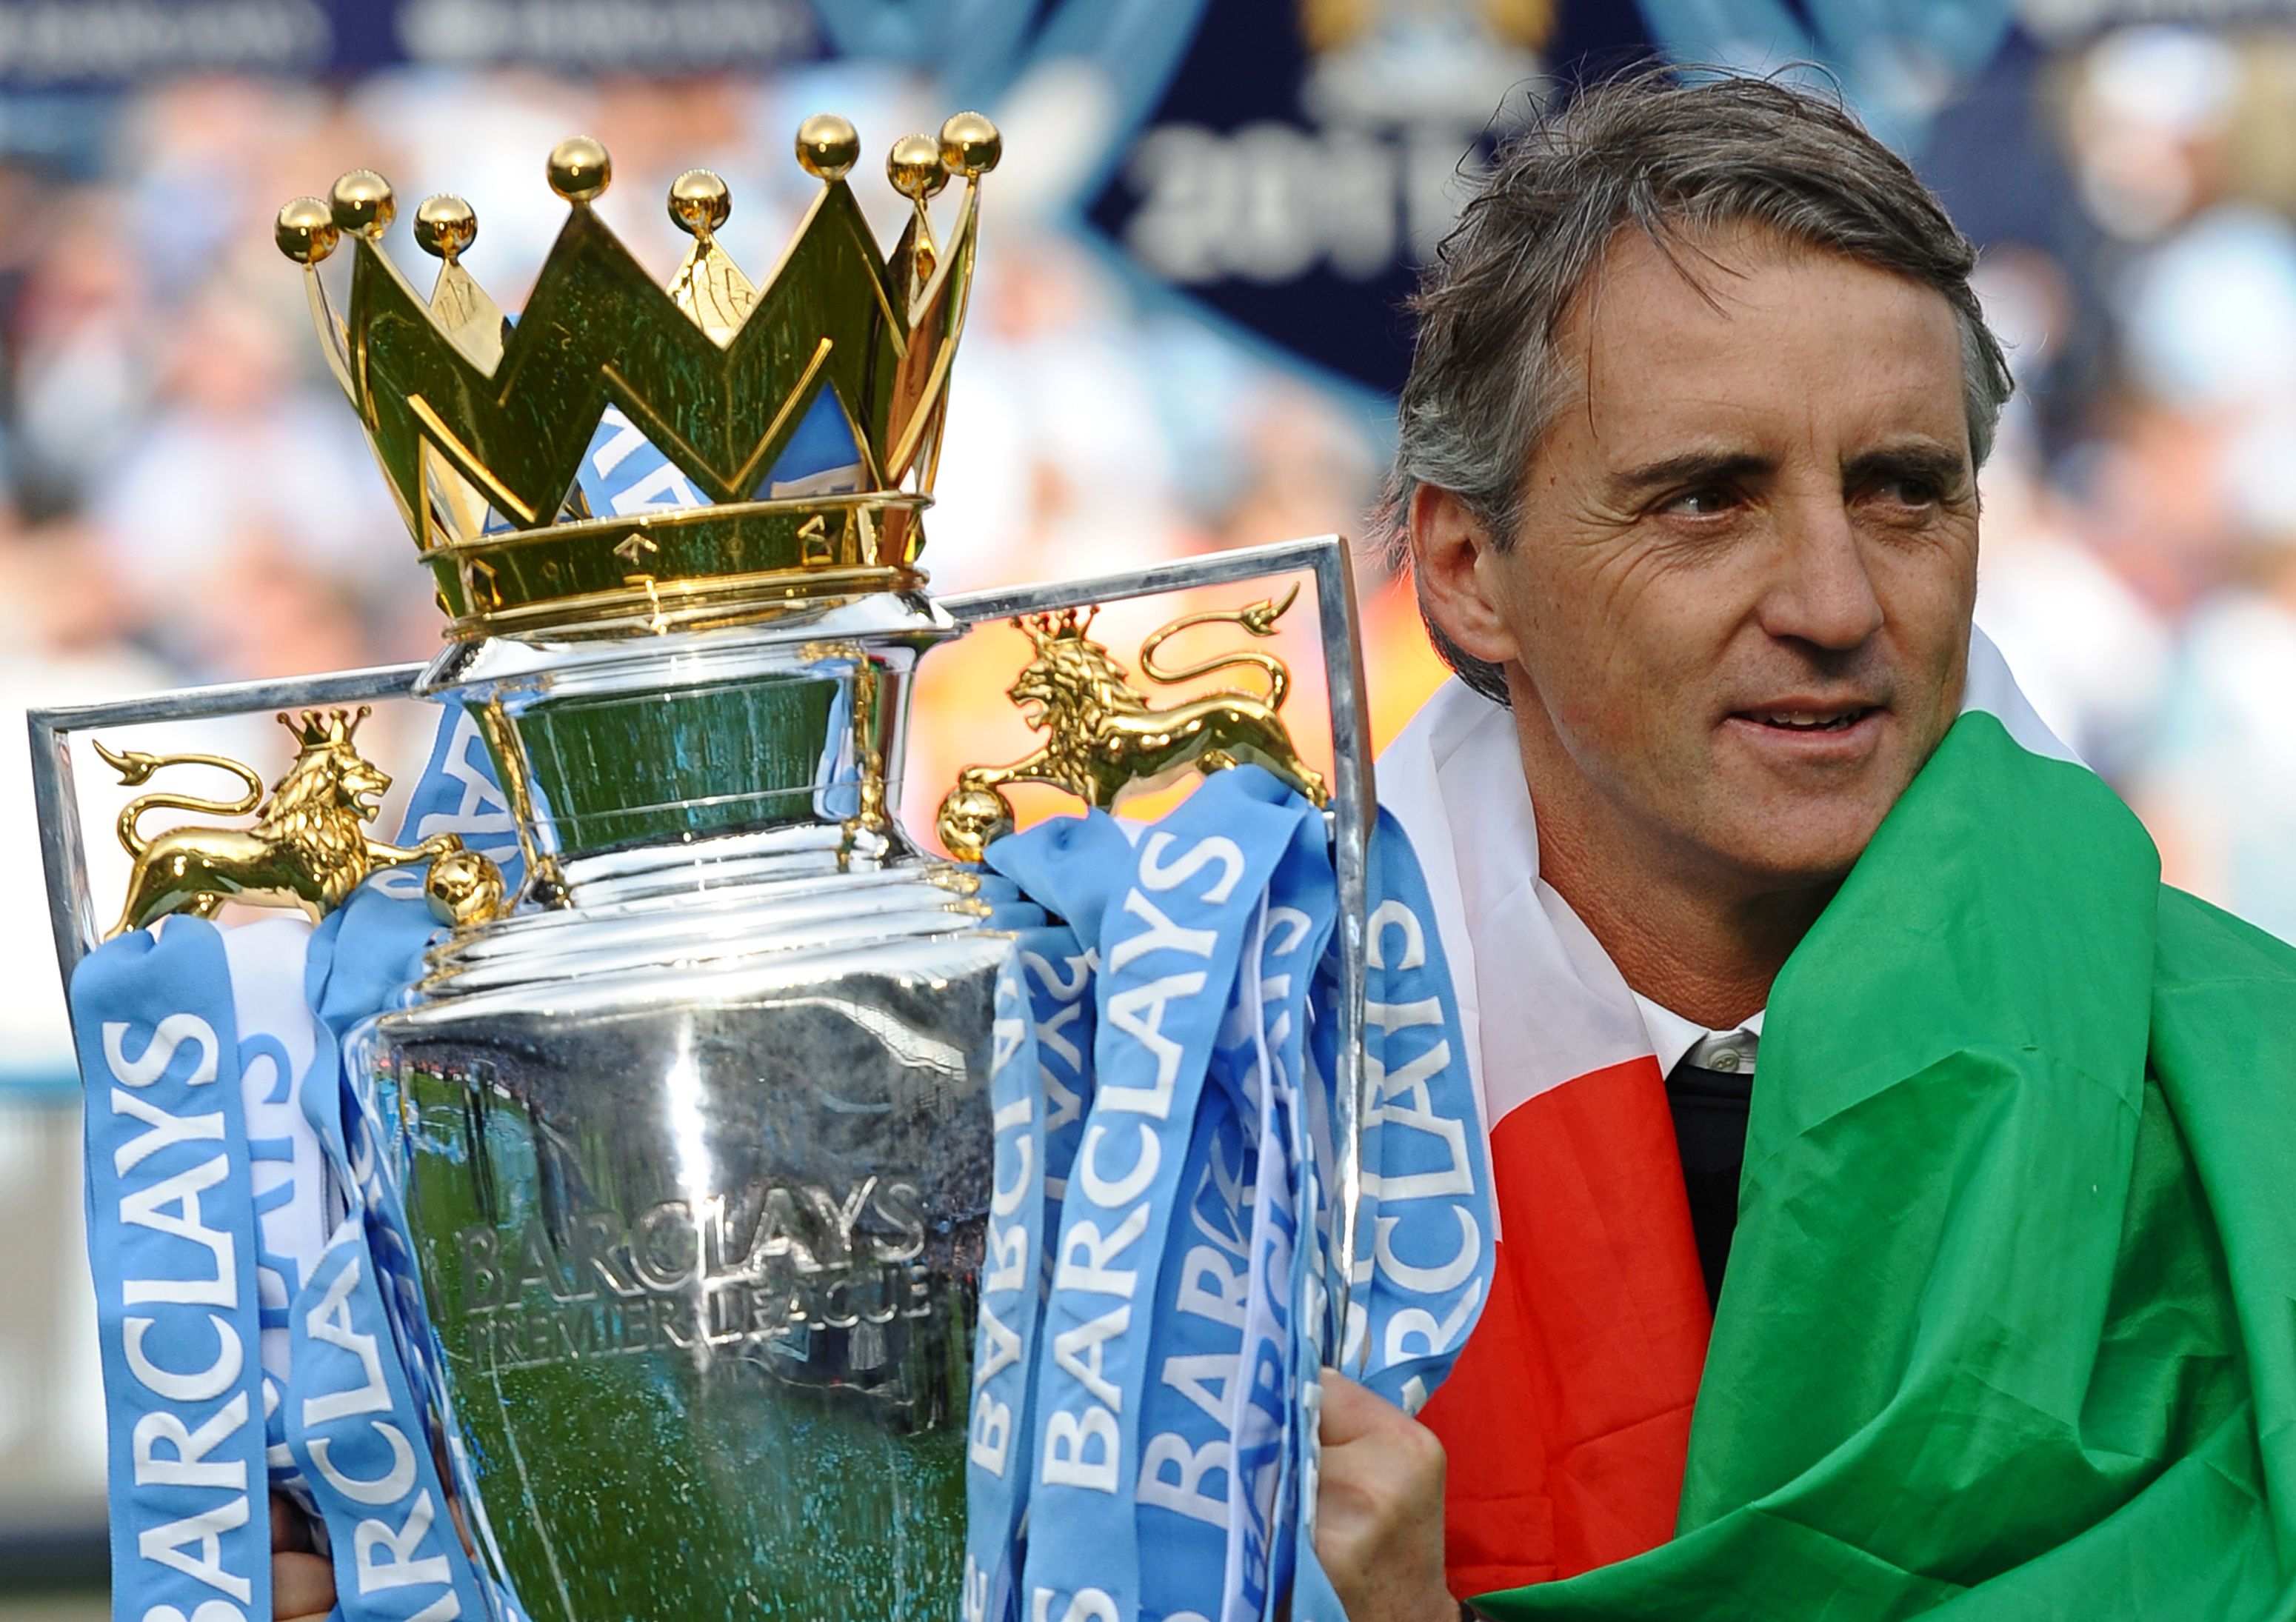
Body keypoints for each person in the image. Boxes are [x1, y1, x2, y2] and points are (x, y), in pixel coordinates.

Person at [1311, 70, 2296, 1621]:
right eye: (1706, 499)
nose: (1833, 606)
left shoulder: (2251, 1078)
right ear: (1463, 570)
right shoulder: (1219, 1138)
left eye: (1902, 492)